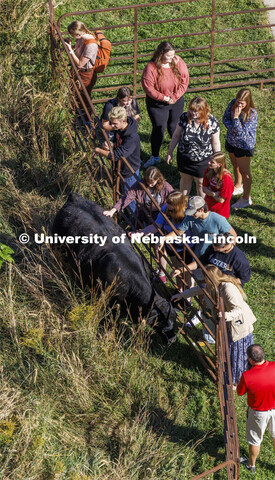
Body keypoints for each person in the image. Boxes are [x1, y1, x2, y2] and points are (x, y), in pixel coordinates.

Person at [172, 265, 256, 383]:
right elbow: (199, 289)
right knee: (230, 352)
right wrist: (182, 295)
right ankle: (233, 375)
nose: (204, 280)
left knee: (237, 354)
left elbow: (238, 310)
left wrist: (224, 315)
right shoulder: (214, 285)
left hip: (238, 326)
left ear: (210, 278)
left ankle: (237, 381)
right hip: (229, 325)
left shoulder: (228, 288)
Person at [141, 41, 189, 167]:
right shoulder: (151, 68)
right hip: (158, 104)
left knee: (175, 125)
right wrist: (165, 98)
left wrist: (175, 96)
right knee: (159, 127)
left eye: (173, 55)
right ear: (160, 54)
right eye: (168, 56)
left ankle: (180, 152)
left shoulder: (177, 62)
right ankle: (155, 156)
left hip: (176, 100)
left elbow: (185, 80)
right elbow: (149, 88)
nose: (171, 58)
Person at [166, 97, 221, 196]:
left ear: (204, 110)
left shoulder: (212, 122)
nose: (193, 113)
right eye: (191, 110)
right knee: (185, 180)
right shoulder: (184, 117)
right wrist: (170, 152)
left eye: (196, 111)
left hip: (203, 161)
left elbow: (215, 142)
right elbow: (176, 135)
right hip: (185, 158)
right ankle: (182, 204)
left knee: (201, 183)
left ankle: (201, 207)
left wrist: (218, 160)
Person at [134, 191, 189, 284]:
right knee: (176, 270)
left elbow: (178, 232)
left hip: (186, 247)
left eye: (170, 205)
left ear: (178, 205)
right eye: (167, 203)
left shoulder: (187, 214)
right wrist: (140, 233)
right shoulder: (165, 209)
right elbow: (156, 225)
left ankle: (186, 297)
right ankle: (180, 292)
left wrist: (163, 238)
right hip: (171, 244)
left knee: (186, 273)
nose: (167, 206)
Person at [95, 106, 141, 215]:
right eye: (111, 122)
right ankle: (125, 216)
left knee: (130, 200)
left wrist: (98, 150)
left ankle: (132, 223)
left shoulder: (132, 137)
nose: (112, 126)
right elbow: (116, 144)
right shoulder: (120, 129)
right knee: (122, 194)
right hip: (121, 168)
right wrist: (110, 144)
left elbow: (115, 156)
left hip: (129, 172)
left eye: (114, 123)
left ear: (123, 121)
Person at [237, 344, 275, 473]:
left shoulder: (247, 376)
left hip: (258, 413)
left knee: (255, 440)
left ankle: (251, 465)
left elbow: (240, 392)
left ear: (251, 360)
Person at [102, 167, 173, 227]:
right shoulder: (140, 184)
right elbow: (128, 197)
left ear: (158, 179)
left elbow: (175, 201)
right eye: (148, 182)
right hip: (145, 214)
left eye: (152, 183)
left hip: (160, 216)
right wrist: (112, 210)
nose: (149, 185)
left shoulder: (166, 188)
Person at [223, 88, 258, 209]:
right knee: (234, 164)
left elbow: (242, 134)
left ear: (247, 102)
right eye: (238, 101)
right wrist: (233, 127)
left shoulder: (252, 114)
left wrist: (236, 119)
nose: (239, 105)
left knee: (245, 172)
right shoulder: (233, 103)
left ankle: (246, 198)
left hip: (244, 146)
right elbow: (225, 118)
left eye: (242, 103)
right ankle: (238, 185)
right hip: (231, 142)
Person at [65, 21, 99, 96]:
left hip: (85, 74)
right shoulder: (81, 38)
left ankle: (84, 108)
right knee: (74, 92)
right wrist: (70, 45)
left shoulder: (91, 45)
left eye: (72, 35)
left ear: (78, 34)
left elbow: (80, 64)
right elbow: (77, 47)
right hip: (78, 71)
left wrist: (70, 51)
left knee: (82, 96)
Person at [203, 152, 234, 218]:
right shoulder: (209, 170)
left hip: (219, 212)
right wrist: (214, 194)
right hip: (208, 207)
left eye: (212, 162)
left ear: (219, 164)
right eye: (209, 160)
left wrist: (210, 192)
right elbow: (204, 188)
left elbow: (221, 200)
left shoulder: (226, 178)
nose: (208, 163)